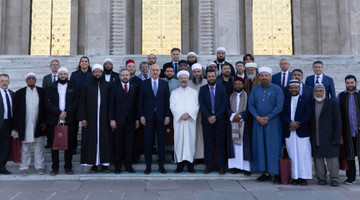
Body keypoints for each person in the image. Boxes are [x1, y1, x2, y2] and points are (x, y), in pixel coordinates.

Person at [249, 66, 284, 184]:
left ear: (270, 77)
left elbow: (279, 106)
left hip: (273, 123)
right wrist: (258, 117)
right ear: (259, 77)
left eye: (266, 75)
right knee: (260, 146)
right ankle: (265, 172)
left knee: (273, 147)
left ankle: (276, 172)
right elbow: (251, 105)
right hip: (258, 122)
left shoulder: (277, 89)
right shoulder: (255, 89)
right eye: (262, 75)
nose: (264, 77)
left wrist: (268, 117)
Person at [77, 64, 112, 173]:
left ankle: (105, 164)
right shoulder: (87, 85)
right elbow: (82, 102)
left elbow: (111, 103)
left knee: (105, 141)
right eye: (95, 72)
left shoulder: (108, 85)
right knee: (91, 141)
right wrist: (83, 118)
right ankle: (93, 165)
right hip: (90, 119)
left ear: (102, 73)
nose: (97, 74)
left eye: (99, 72)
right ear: (92, 73)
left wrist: (111, 118)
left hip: (104, 119)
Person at [46, 67, 79, 175]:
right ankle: (54, 168)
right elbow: (48, 102)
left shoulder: (73, 86)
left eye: (65, 74)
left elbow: (76, 101)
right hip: (54, 120)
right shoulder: (51, 87)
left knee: (68, 145)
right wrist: (58, 113)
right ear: (58, 75)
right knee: (54, 145)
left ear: (67, 75)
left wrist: (66, 112)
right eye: (61, 74)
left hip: (69, 120)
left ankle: (68, 167)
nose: (63, 76)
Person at [139, 64, 170, 174]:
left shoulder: (164, 84)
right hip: (148, 117)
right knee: (148, 142)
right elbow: (140, 102)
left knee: (161, 142)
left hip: (161, 117)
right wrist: (141, 116)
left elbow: (167, 101)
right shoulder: (144, 84)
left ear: (160, 71)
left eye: (157, 70)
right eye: (153, 70)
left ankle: (161, 165)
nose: (155, 72)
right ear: (150, 71)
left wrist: (167, 115)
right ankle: (148, 166)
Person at [13, 73, 46, 176]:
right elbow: (15, 111)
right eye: (29, 78)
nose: (31, 80)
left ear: (36, 80)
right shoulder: (19, 93)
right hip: (25, 124)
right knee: (25, 147)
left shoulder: (42, 92)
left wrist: (45, 122)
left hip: (38, 124)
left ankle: (40, 166)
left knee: (38, 147)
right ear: (26, 80)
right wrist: (15, 126)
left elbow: (45, 109)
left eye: (33, 78)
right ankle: (24, 167)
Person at [281, 79, 312, 186]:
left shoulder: (305, 99)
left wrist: (298, 124)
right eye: (292, 87)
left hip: (302, 131)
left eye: (296, 87)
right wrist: (290, 123)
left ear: (299, 88)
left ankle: (303, 177)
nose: (294, 89)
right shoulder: (286, 100)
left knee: (303, 155)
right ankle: (294, 177)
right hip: (290, 131)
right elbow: (283, 115)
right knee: (292, 155)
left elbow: (308, 114)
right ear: (289, 89)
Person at [310, 84, 341, 186]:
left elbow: (338, 121)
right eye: (317, 91)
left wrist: (336, 137)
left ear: (325, 92)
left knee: (332, 159)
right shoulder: (311, 103)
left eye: (320, 91)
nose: (318, 93)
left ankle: (334, 178)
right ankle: (321, 178)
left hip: (329, 136)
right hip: (316, 136)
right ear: (314, 92)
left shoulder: (332, 103)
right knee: (318, 159)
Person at [109, 69, 140, 174]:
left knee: (129, 144)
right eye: (123, 75)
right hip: (118, 121)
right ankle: (118, 166)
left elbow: (137, 104)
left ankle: (128, 165)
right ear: (120, 76)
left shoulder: (134, 87)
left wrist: (137, 119)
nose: (125, 77)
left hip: (131, 120)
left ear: (130, 76)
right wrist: (112, 119)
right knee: (118, 144)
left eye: (127, 75)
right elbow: (111, 104)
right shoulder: (114, 87)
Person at [198, 69, 228, 174]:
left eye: (213, 76)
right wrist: (209, 116)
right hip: (207, 121)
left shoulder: (222, 89)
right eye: (209, 77)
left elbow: (224, 104)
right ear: (207, 78)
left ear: (216, 77)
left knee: (220, 144)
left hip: (220, 121)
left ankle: (221, 166)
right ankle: (208, 166)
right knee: (208, 144)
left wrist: (216, 116)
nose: (211, 78)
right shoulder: (202, 89)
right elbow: (201, 104)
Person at [170, 70, 199, 173]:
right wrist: (181, 115)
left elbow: (196, 105)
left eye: (185, 78)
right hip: (179, 121)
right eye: (181, 78)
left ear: (188, 79)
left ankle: (190, 165)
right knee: (179, 141)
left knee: (190, 141)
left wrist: (189, 114)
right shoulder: (174, 93)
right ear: (178, 80)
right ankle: (180, 165)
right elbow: (172, 106)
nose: (183, 79)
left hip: (190, 120)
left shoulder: (194, 92)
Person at [337, 75, 360, 185]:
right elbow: (337, 113)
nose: (350, 85)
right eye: (348, 83)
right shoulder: (341, 96)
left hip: (359, 130)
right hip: (347, 131)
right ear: (345, 84)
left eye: (352, 82)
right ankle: (351, 177)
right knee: (349, 155)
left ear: (356, 82)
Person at [227, 77, 251, 175]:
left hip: (244, 123)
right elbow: (226, 107)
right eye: (236, 84)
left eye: (239, 84)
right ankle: (235, 166)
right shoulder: (230, 96)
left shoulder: (248, 96)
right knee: (234, 146)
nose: (237, 86)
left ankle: (245, 167)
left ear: (243, 85)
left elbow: (250, 108)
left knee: (244, 145)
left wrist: (241, 116)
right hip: (232, 122)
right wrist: (233, 115)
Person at [70, 56, 92, 154]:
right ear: (79, 64)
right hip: (76, 105)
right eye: (82, 61)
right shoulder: (74, 75)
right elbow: (71, 89)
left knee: (87, 128)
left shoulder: (92, 75)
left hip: (88, 106)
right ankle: (73, 147)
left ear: (88, 63)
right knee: (73, 129)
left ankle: (86, 148)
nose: (84, 63)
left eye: (86, 61)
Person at [188, 63, 207, 161]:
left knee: (203, 135)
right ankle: (194, 156)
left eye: (198, 72)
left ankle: (203, 156)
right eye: (194, 72)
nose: (196, 74)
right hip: (192, 114)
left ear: (201, 72)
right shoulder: (188, 83)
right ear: (192, 73)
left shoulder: (206, 82)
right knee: (193, 135)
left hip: (204, 114)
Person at [42, 60, 61, 148]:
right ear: (50, 66)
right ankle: (50, 141)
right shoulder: (46, 78)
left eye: (56, 65)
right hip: (50, 104)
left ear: (59, 67)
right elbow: (44, 90)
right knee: (50, 125)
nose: (54, 66)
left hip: (60, 104)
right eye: (53, 65)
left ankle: (60, 141)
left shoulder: (62, 76)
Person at [0, 74, 14, 174]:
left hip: (8, 123)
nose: (4, 82)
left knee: (5, 146)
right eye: (2, 81)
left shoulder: (11, 93)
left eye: (6, 81)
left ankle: (2, 166)